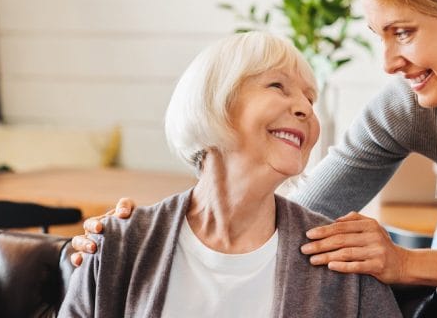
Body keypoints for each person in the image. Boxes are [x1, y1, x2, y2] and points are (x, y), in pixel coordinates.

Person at [72, 0, 437, 290]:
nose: (389, 62)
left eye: (405, 31)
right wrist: (147, 233)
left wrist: (403, 262)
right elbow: (298, 217)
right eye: (380, 35)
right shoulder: (409, 105)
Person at [59, 31, 401, 317]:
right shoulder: (121, 242)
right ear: (214, 99)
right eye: (277, 86)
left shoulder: (343, 261)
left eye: (310, 99)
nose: (304, 109)